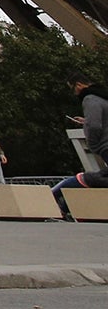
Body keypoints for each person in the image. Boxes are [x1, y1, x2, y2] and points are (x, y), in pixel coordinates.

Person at [52, 74, 108, 219]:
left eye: (72, 89)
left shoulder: (90, 99)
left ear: (78, 85)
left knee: (97, 178)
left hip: (105, 145)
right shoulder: (103, 96)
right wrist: (87, 121)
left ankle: (74, 185)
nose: (74, 93)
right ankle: (66, 203)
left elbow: (95, 125)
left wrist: (93, 143)